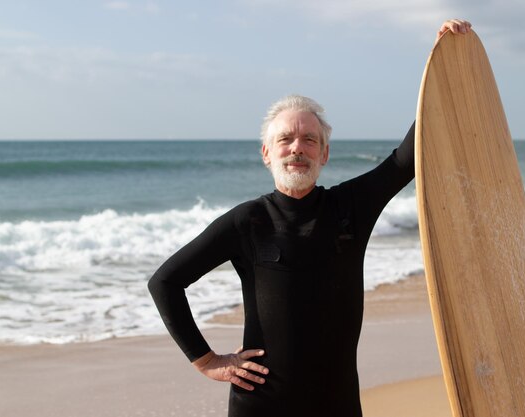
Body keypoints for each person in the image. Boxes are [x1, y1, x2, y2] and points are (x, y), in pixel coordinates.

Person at [148, 19, 472, 417]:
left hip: (336, 404)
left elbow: (407, 158)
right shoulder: (247, 222)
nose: (296, 148)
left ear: (324, 154)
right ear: (267, 153)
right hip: (261, 406)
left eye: (309, 140)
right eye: (284, 139)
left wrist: (443, 61)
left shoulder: (350, 206)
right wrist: (207, 360)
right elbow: (165, 281)